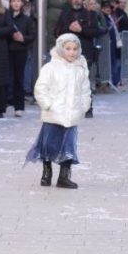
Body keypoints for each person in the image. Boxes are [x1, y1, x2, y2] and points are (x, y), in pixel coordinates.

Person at [28, 32, 92, 189]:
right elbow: (41, 88)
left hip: (71, 115)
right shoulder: (50, 67)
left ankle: (64, 176)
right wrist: (48, 105)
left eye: (75, 49)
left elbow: (85, 89)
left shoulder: (80, 68)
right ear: (60, 49)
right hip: (54, 114)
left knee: (69, 146)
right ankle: (46, 172)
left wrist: (85, 105)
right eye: (68, 48)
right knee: (49, 145)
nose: (72, 52)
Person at [5, 0, 34, 117]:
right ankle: (4, 103)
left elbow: (32, 35)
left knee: (19, 78)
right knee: (6, 77)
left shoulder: (27, 19)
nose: (16, 3)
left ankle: (19, 106)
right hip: (6, 50)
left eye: (18, 1)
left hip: (20, 51)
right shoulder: (5, 17)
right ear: (10, 3)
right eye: (13, 1)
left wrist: (23, 38)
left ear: (22, 3)